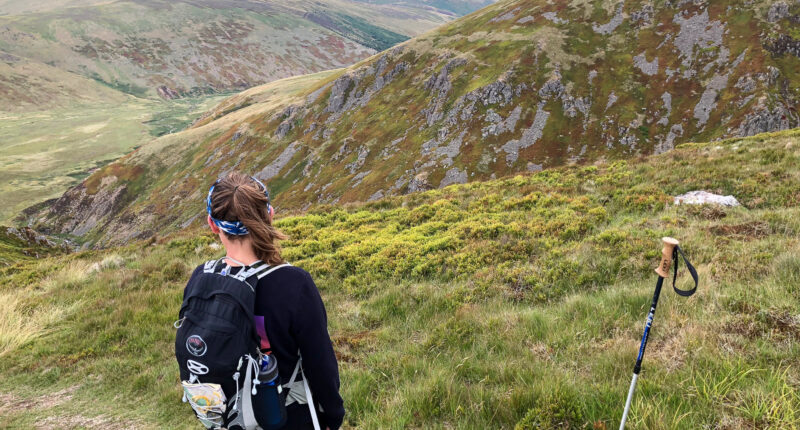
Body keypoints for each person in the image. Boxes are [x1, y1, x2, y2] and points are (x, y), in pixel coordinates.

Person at [185, 171, 344, 430]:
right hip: (289, 417)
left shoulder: (200, 277)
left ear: (213, 225)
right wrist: (332, 416)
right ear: (269, 215)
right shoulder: (293, 283)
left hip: (230, 419)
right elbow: (321, 365)